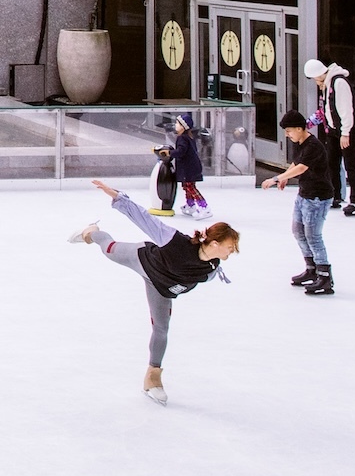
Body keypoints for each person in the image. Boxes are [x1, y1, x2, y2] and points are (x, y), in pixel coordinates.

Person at [68, 179, 239, 405]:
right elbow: (145, 219)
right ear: (215, 243)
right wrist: (118, 198)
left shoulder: (210, 270)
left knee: (161, 328)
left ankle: (153, 376)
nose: (232, 252)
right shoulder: (175, 241)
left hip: (160, 288)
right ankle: (92, 232)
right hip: (143, 260)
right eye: (230, 247)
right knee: (109, 249)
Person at [262, 112, 335, 295]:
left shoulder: (314, 146)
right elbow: (296, 163)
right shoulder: (301, 143)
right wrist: (287, 176)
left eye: (289, 131)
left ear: (300, 128)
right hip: (305, 194)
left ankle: (324, 276)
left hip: (318, 197)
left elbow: (303, 167)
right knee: (298, 231)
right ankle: (311, 269)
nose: (287, 135)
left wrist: (278, 178)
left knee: (313, 236)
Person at [303, 58, 355, 215]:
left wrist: (345, 133)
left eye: (315, 78)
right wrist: (307, 124)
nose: (315, 82)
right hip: (334, 130)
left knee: (351, 165)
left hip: (345, 130)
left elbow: (346, 111)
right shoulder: (326, 85)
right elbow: (325, 111)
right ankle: (334, 195)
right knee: (331, 163)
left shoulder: (338, 83)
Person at [171, 114, 209, 220]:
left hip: (189, 168)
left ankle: (204, 207)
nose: (175, 125)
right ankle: (190, 205)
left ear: (183, 126)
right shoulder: (187, 137)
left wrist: (169, 153)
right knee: (187, 186)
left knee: (190, 187)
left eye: (177, 123)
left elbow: (181, 152)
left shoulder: (183, 138)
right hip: (190, 167)